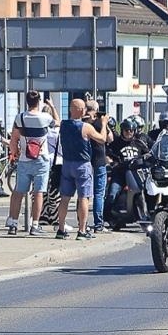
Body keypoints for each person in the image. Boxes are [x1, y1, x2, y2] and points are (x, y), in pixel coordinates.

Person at [55, 97, 110, 240]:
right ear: (81, 110)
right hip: (82, 165)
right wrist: (103, 123)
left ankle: (61, 229)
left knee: (65, 198)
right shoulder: (86, 127)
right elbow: (102, 139)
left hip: (67, 163)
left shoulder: (63, 125)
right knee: (84, 197)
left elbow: (59, 121)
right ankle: (82, 230)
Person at [6, 91, 57, 235]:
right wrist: (52, 107)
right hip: (41, 159)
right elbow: (57, 122)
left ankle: (13, 224)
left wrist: (15, 153)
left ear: (27, 101)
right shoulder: (45, 117)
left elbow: (14, 139)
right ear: (39, 101)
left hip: (24, 158)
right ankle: (35, 225)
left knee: (18, 192)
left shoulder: (20, 117)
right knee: (38, 192)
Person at [85, 97, 110, 232]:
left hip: (85, 161)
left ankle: (82, 223)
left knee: (84, 193)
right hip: (99, 161)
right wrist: (105, 124)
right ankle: (98, 224)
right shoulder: (100, 123)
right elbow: (108, 139)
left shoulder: (83, 123)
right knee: (98, 193)